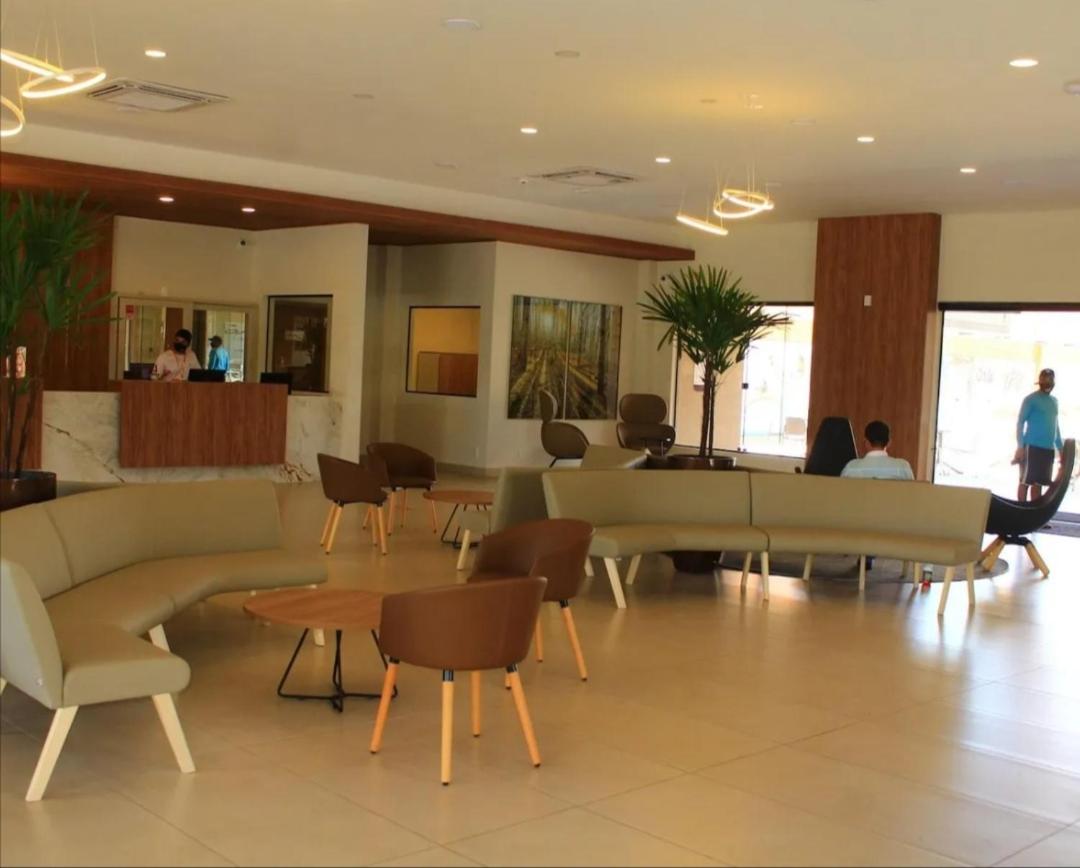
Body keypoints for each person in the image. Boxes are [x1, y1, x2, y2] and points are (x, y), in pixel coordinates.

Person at [1014, 368, 1063, 501]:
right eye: (1045, 380)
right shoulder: (1030, 399)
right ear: (1040, 381)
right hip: (1031, 448)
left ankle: (1034, 513)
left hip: (1048, 450)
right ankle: (1021, 511)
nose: (1047, 383)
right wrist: (1020, 447)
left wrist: (1061, 449)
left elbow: (1056, 426)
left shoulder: (1054, 401)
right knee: (1025, 482)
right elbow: (1020, 422)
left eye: (1050, 380)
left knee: (1039, 484)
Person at [841, 420, 915, 480]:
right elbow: (911, 491)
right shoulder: (903, 467)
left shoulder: (851, 468)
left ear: (866, 443)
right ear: (889, 442)